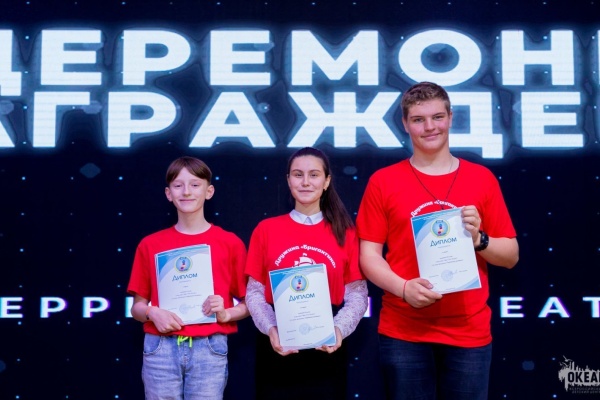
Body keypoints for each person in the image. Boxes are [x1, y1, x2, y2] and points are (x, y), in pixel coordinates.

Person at [356, 82, 519, 400]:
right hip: (404, 330)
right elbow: (369, 255)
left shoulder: (481, 179)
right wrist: (404, 288)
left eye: (437, 117)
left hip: (468, 330)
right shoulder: (383, 182)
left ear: (450, 118)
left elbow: (511, 255)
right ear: (405, 124)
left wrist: (479, 239)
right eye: (418, 119)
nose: (430, 127)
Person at [245, 147, 368, 400]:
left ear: (326, 181)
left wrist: (338, 329)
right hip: (277, 345)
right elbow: (255, 293)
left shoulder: (346, 233)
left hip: (327, 347)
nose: (305, 182)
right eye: (298, 174)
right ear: (288, 180)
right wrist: (271, 329)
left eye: (314, 175)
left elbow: (357, 295)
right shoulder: (266, 229)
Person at [127, 156, 249, 400]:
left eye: (195, 185)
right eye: (178, 185)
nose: (186, 192)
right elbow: (137, 308)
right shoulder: (150, 245)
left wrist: (225, 313)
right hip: (160, 347)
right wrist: (152, 312)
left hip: (209, 346)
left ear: (209, 191)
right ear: (168, 193)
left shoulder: (230, 243)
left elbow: (249, 304)